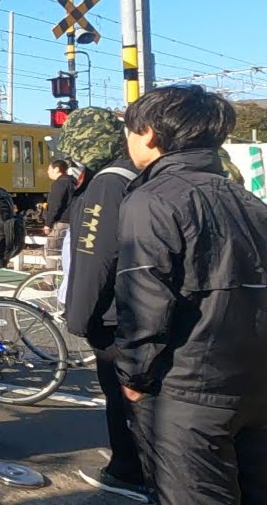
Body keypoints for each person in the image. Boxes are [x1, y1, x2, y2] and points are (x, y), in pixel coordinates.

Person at [115, 85, 267, 505]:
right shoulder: (248, 199)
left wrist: (133, 376)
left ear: (148, 133)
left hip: (185, 387)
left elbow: (144, 299)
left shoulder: (151, 200)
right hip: (254, 382)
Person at [56, 108, 150, 501]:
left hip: (114, 314)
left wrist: (77, 317)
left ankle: (127, 470)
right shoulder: (137, 174)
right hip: (144, 306)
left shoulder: (106, 184)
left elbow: (94, 256)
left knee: (120, 391)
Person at [43, 159, 75, 270]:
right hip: (73, 220)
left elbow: (55, 205)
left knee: (52, 248)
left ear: (57, 169)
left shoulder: (59, 184)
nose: (48, 172)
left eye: (49, 169)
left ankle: (49, 280)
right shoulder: (73, 181)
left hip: (62, 221)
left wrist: (48, 223)